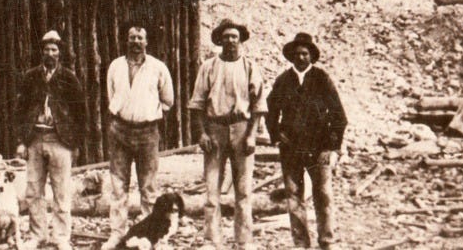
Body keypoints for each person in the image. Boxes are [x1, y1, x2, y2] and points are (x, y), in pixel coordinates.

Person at [188, 19, 267, 250]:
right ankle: (212, 240)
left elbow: (258, 105)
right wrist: (201, 133)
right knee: (212, 189)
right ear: (220, 40)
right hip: (215, 130)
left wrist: (252, 135)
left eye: (234, 36)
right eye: (226, 37)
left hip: (241, 129)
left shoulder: (250, 67)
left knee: (243, 190)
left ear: (240, 40)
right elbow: (197, 104)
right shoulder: (209, 67)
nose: (230, 40)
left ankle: (244, 241)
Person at [266, 33, 347, 250]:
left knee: (323, 196)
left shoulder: (322, 78)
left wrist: (331, 147)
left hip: (319, 148)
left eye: (305, 53)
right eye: (297, 53)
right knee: (294, 199)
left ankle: (327, 242)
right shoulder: (283, 81)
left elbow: (339, 115)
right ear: (291, 56)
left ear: (311, 56)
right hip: (291, 150)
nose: (301, 57)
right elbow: (270, 109)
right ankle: (301, 244)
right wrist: (276, 134)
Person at [101, 24, 174, 250]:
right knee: (118, 185)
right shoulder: (115, 66)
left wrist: (147, 112)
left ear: (146, 42)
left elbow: (168, 100)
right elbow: (111, 95)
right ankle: (117, 233)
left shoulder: (158, 68)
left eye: (140, 38)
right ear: (126, 40)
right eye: (131, 37)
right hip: (120, 131)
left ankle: (151, 234)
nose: (135, 42)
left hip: (147, 132)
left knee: (148, 187)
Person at [15, 30, 87, 250]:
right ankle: (38, 235)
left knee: (61, 190)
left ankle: (61, 236)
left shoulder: (69, 78)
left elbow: (80, 113)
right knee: (33, 190)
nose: (50, 53)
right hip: (35, 137)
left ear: (60, 53)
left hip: (60, 139)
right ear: (41, 52)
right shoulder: (30, 77)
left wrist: (75, 144)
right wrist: (21, 141)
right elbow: (20, 110)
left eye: (54, 50)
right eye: (46, 49)